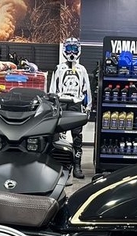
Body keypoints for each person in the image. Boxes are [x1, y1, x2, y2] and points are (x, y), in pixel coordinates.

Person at [49, 37, 91, 179]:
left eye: (74, 49)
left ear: (78, 50)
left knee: (77, 136)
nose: (71, 52)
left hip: (76, 104)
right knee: (58, 135)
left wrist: (88, 107)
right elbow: (52, 89)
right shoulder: (59, 68)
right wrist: (52, 105)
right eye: (69, 49)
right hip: (61, 103)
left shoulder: (82, 69)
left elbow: (87, 90)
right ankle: (59, 165)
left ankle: (77, 166)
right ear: (65, 50)